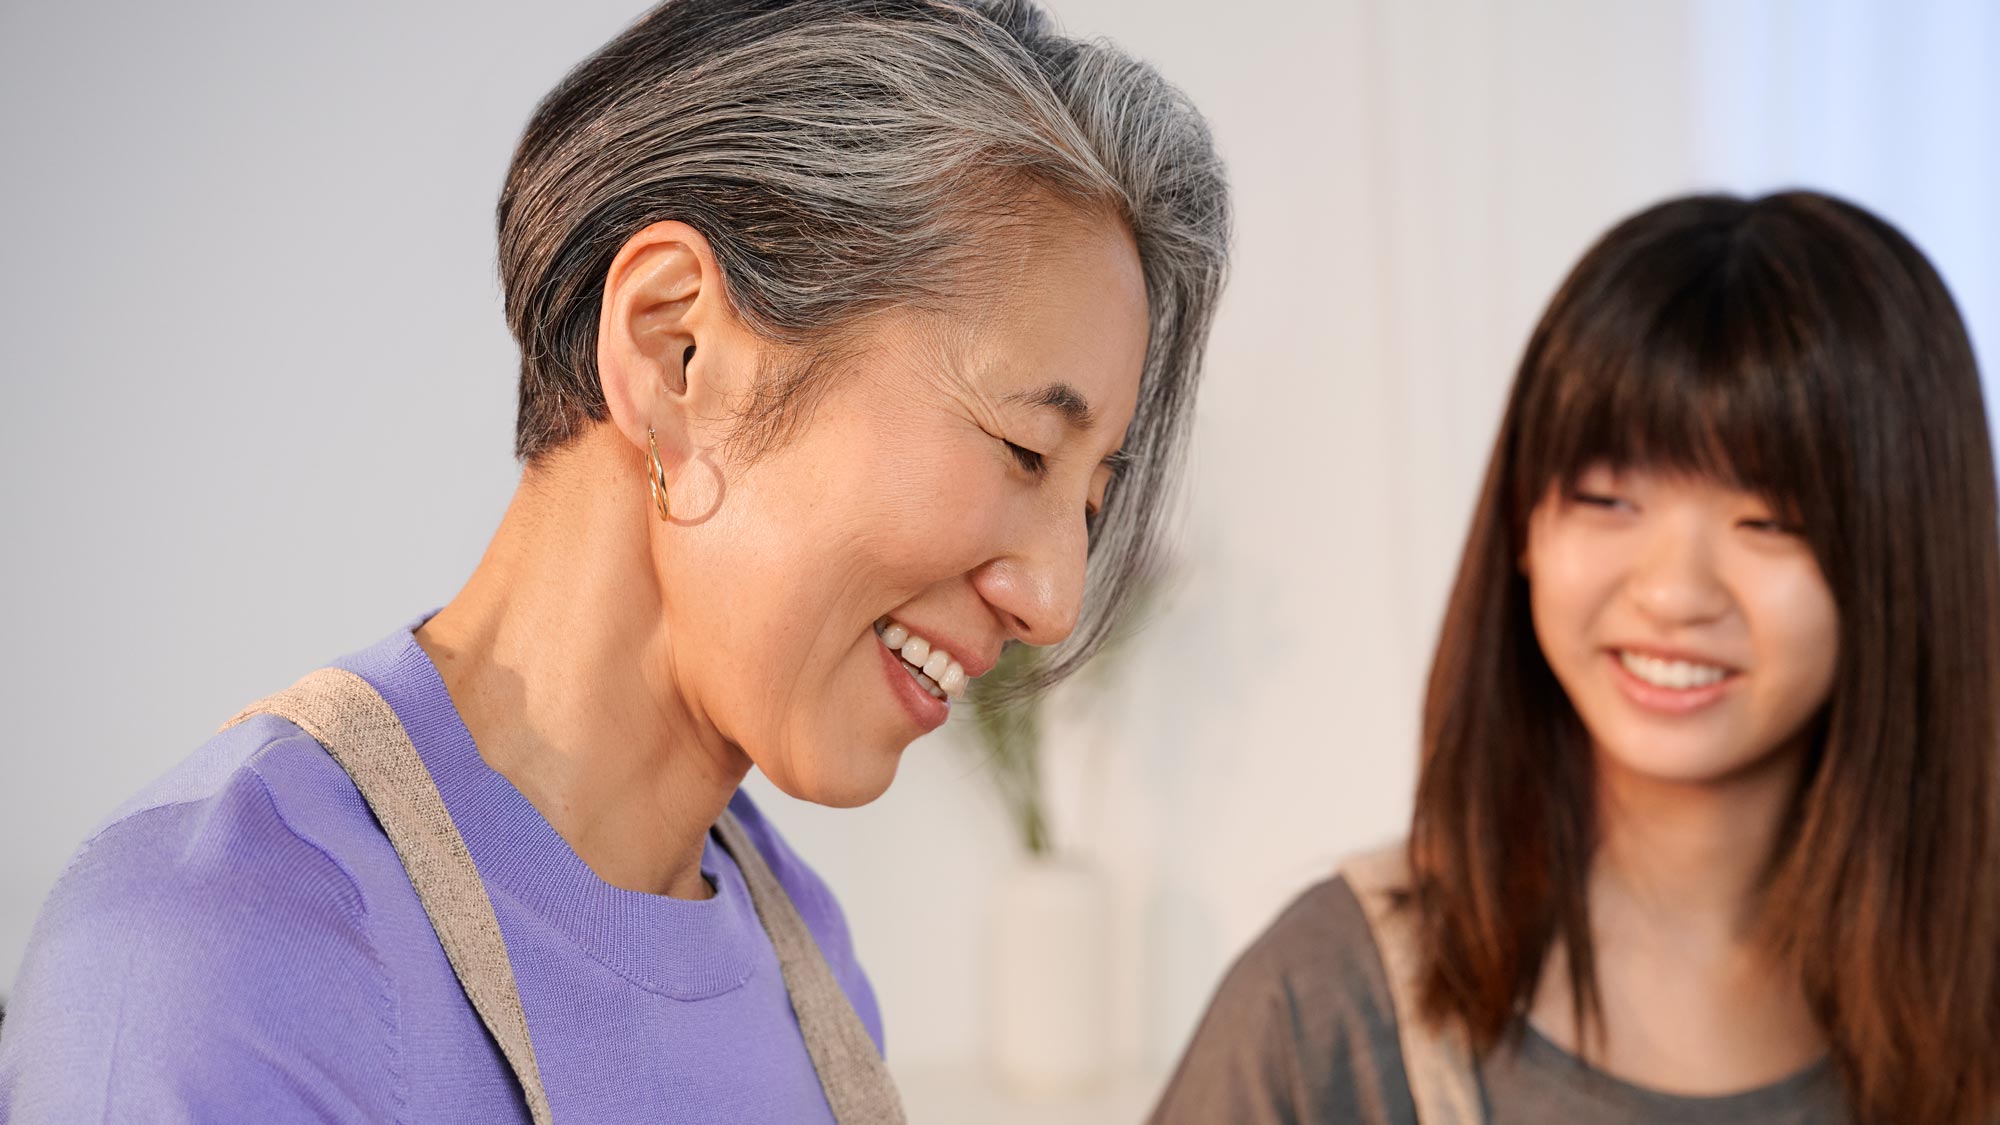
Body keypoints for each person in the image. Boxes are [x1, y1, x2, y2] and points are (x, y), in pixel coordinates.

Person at [0, 1, 1229, 1120]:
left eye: (1088, 501)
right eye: (1024, 448)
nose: (1055, 600)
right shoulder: (220, 956)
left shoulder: (801, 956)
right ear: (674, 351)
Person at [1153, 191, 1999, 1125]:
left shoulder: (1972, 998)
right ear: (1524, 525)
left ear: (1910, 559)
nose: (1674, 593)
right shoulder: (1332, 1004)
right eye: (1606, 497)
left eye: (1770, 519)